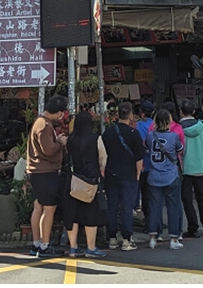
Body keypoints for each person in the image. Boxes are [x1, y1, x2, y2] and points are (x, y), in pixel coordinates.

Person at [26, 96, 68, 257]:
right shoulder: (44, 125)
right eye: (62, 113)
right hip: (45, 171)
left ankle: (37, 243)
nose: (62, 116)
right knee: (49, 208)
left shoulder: (40, 122)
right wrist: (60, 143)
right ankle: (44, 245)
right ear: (58, 113)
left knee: (39, 206)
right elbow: (49, 150)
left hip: (36, 171)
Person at [101, 101, 144, 251]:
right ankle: (126, 239)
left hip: (111, 172)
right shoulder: (134, 134)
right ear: (131, 115)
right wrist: (138, 174)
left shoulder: (108, 132)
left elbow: (103, 153)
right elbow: (139, 158)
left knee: (112, 205)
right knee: (127, 206)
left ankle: (112, 238)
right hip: (129, 174)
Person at [64, 111, 108, 259]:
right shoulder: (96, 138)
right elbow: (103, 158)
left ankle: (73, 247)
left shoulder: (71, 140)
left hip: (73, 181)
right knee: (91, 214)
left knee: (74, 215)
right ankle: (91, 247)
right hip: (91, 181)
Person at [144, 109, 184, 250]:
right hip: (170, 175)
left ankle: (153, 238)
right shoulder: (173, 137)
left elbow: (147, 148)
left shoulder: (149, 136)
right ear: (169, 121)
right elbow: (180, 149)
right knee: (172, 207)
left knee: (154, 207)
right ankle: (173, 238)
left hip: (154, 176)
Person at [179, 101, 203, 238]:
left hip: (185, 168)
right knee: (201, 197)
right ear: (193, 112)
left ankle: (193, 228)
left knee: (187, 199)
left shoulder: (178, 128)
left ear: (181, 112)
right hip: (200, 166)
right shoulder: (202, 127)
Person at [135, 101, 156, 229]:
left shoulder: (138, 126)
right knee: (150, 195)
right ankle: (150, 220)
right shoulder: (156, 125)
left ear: (141, 113)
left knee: (138, 191)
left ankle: (140, 212)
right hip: (153, 165)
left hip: (140, 164)